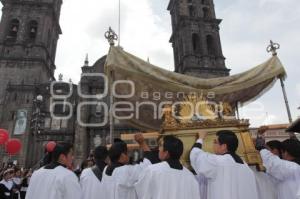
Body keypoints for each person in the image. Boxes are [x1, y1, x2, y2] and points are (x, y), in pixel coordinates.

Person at [190, 130, 258, 199]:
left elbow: (195, 156)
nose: (213, 145)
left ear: (223, 146)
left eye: (215, 142)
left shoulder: (218, 162)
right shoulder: (246, 168)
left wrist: (200, 138)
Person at [135, 135, 200, 199]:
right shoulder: (190, 176)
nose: (158, 150)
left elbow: (142, 192)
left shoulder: (152, 171)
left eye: (160, 146)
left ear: (166, 153)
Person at [100, 133, 154, 199]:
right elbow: (148, 165)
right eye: (127, 152)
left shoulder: (105, 170)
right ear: (122, 155)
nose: (129, 155)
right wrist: (142, 143)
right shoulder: (126, 171)